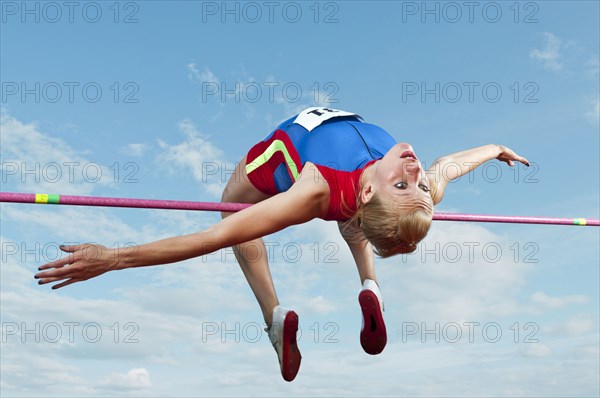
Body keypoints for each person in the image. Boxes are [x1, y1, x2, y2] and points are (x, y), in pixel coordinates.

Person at [34, 107, 530, 382]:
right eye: (417, 185)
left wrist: (114, 258)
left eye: (405, 183)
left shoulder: (315, 190)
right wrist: (495, 148)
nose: (417, 174)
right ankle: (370, 286)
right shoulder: (422, 197)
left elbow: (212, 236)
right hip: (356, 198)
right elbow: (449, 165)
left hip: (289, 150)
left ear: (369, 189)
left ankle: (274, 319)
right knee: (365, 220)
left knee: (235, 210)